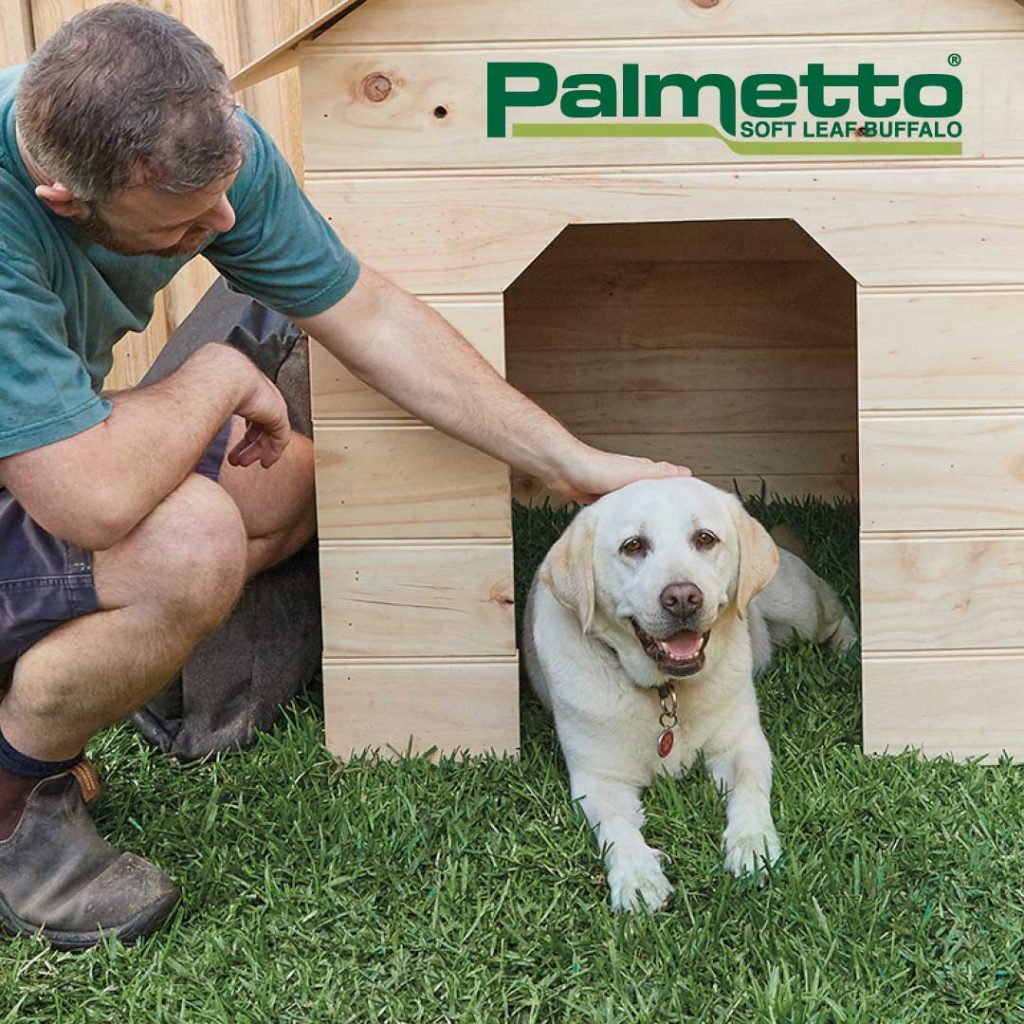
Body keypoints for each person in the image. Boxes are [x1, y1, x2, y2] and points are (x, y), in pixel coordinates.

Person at [0, 4, 690, 949]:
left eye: (226, 192)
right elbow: (88, 497)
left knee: (291, 487)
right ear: (65, 200)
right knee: (188, 542)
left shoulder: (201, 151)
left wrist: (567, 461)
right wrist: (214, 375)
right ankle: (11, 804)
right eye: (187, 221)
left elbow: (367, 316)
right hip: (44, 476)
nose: (226, 225)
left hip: (31, 456)